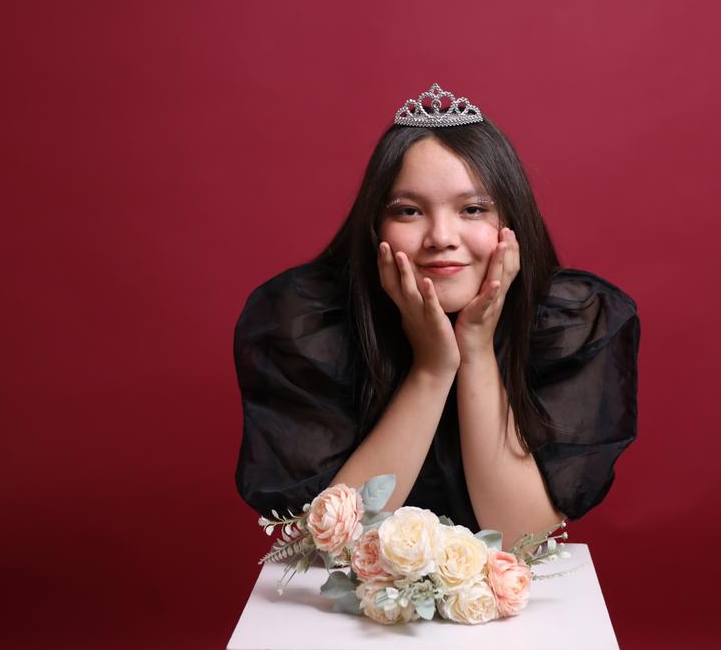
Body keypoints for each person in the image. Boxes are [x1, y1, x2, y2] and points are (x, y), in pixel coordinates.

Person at [233, 83, 640, 550]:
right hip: (348, 593)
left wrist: (476, 349)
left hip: (503, 594)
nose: (441, 237)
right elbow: (336, 542)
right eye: (409, 211)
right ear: (375, 225)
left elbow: (520, 538)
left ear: (511, 222)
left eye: (473, 209)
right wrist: (432, 368)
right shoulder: (305, 319)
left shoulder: (571, 319)